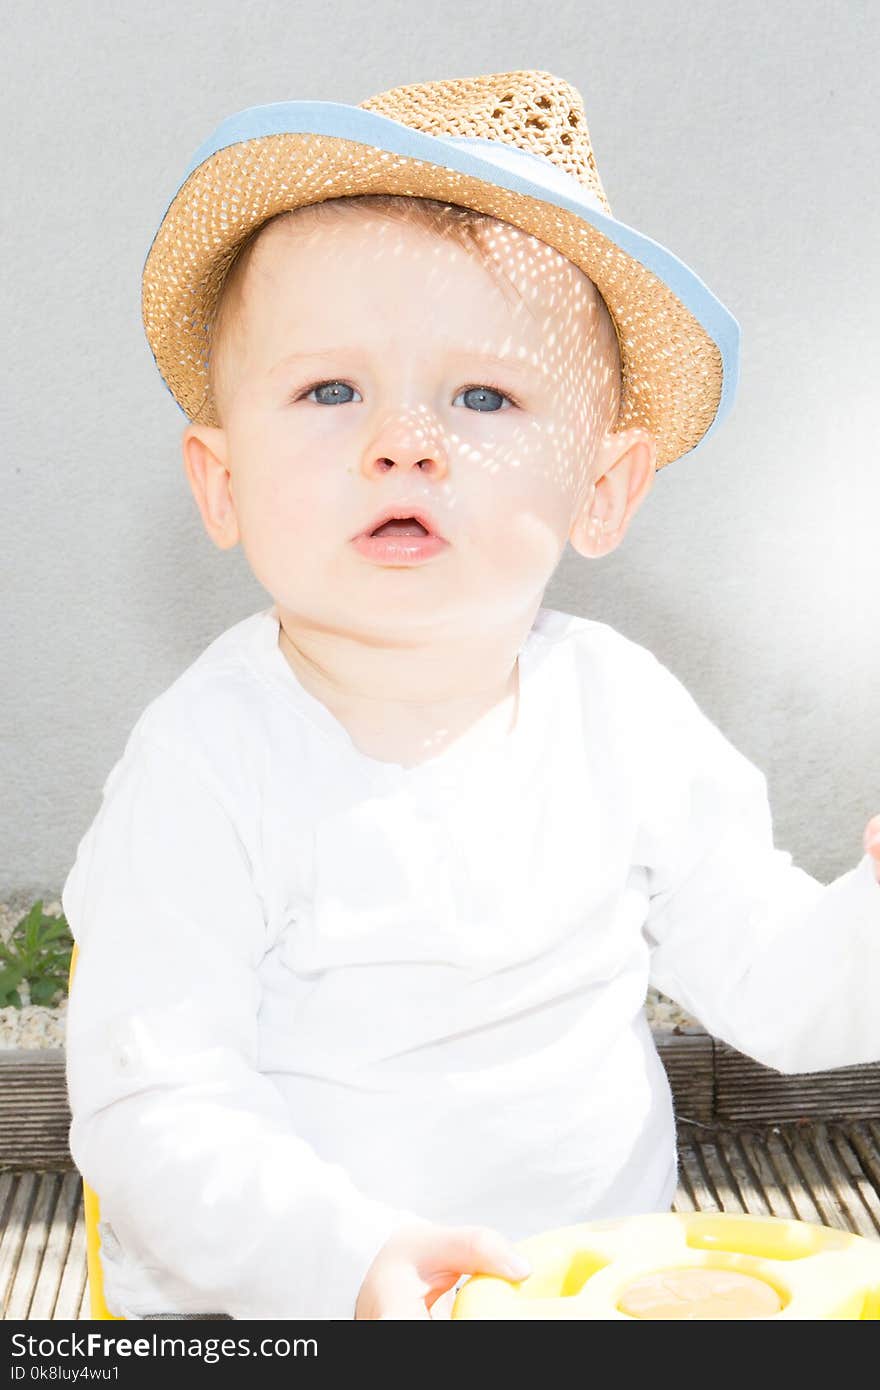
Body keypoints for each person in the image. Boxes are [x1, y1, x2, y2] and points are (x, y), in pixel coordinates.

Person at [62, 69, 880, 1322]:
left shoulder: (624, 714)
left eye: (484, 396)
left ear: (601, 490)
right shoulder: (209, 762)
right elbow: (152, 1101)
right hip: (284, 1308)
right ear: (220, 483)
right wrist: (345, 1260)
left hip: (581, 1296)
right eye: (330, 390)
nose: (403, 439)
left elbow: (779, 986)